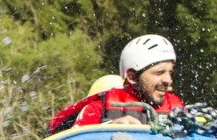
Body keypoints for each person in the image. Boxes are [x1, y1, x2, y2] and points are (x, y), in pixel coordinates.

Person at [47, 36, 185, 134]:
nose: (168, 80)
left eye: (169, 72)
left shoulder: (177, 107)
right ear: (132, 77)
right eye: (159, 72)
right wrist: (107, 129)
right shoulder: (98, 108)